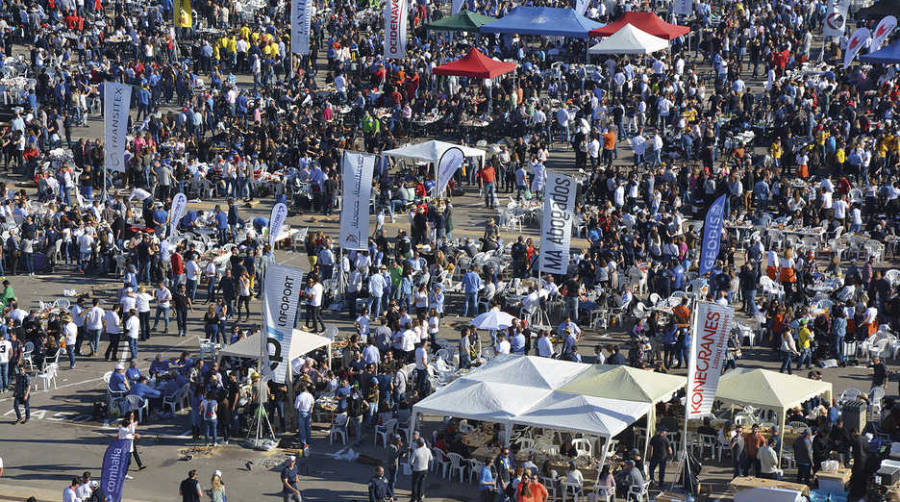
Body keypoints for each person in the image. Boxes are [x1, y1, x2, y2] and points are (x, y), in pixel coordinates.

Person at [409, 437, 433, 502]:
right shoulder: (428, 450)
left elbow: (411, 462)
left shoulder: (416, 451)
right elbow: (431, 459)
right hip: (425, 469)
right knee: (421, 484)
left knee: (414, 484)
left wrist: (412, 466)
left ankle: (413, 498)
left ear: (418, 444)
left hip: (417, 470)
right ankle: (419, 498)